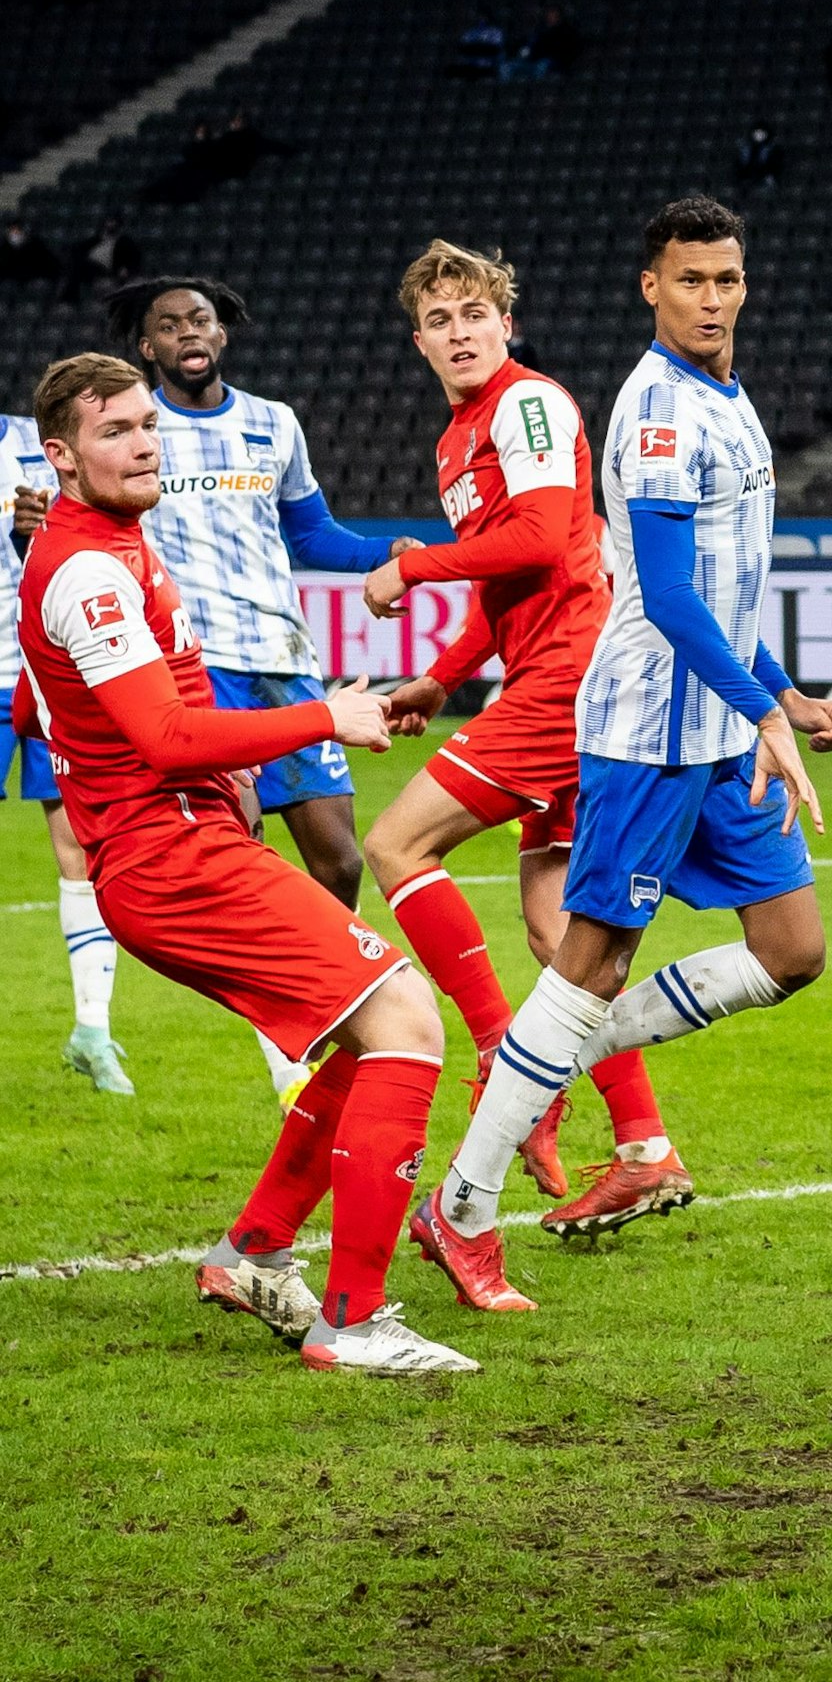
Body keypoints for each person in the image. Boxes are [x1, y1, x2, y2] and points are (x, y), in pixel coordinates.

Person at [405, 196, 832, 1310]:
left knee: (792, 950)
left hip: (719, 720)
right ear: (649, 286)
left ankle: (547, 1063)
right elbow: (662, 598)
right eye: (689, 279)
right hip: (650, 729)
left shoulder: (730, 400)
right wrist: (755, 709)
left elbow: (725, 590)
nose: (711, 298)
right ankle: (461, 1204)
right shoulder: (655, 411)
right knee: (589, 958)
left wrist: (780, 694)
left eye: (727, 279)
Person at [15, 353, 472, 1374]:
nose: (140, 442)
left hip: (185, 840)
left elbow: (47, 708)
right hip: (170, 856)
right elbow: (167, 738)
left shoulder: (114, 544)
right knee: (406, 1021)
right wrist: (325, 717)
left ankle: (253, 1252)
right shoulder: (89, 569)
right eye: (113, 431)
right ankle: (350, 1322)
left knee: (365, 1042)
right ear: (62, 454)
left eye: (146, 425)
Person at [357, 241, 694, 1264]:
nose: (459, 332)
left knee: (395, 846)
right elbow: (509, 587)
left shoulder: (526, 403)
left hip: (572, 676)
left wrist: (413, 565)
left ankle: (501, 1054)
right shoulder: (459, 434)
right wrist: (441, 676)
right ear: (417, 340)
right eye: (439, 320)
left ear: (505, 321)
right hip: (549, 668)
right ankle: (644, 1144)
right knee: (559, 931)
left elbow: (548, 537)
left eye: (474, 313)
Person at [103, 276, 418, 1109]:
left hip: (281, 658)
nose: (187, 334)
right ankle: (292, 1044)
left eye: (199, 320)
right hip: (192, 672)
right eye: (168, 326)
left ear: (223, 334)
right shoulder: (136, 434)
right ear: (147, 348)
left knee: (339, 857)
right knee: (234, 853)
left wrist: (392, 552)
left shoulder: (272, 423)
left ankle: (311, 996)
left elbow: (310, 533)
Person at [2, 412, 129, 1091]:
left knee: (79, 850)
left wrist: (37, 531)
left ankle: (93, 1029)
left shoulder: (39, 440)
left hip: (44, 669)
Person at [59, 215, 139, 303]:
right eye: (109, 221)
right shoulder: (97, 239)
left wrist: (126, 268)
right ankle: (70, 295)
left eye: (113, 221)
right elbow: (80, 247)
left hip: (107, 270)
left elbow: (133, 258)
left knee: (78, 264)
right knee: (76, 260)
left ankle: (70, 296)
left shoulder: (124, 241)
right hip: (91, 269)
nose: (110, 224)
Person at [0, 218, 60, 285]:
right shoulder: (4, 249)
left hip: (34, 284)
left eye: (18, 230)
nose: (15, 234)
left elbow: (52, 266)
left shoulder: (37, 246)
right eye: (12, 231)